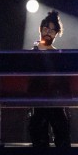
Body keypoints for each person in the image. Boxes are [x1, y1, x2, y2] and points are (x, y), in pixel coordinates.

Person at [29, 10, 71, 148]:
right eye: (46, 28)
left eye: (52, 30)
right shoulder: (31, 54)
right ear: (41, 29)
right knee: (38, 131)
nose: (48, 32)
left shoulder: (59, 56)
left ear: (56, 34)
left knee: (62, 131)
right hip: (38, 102)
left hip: (56, 101)